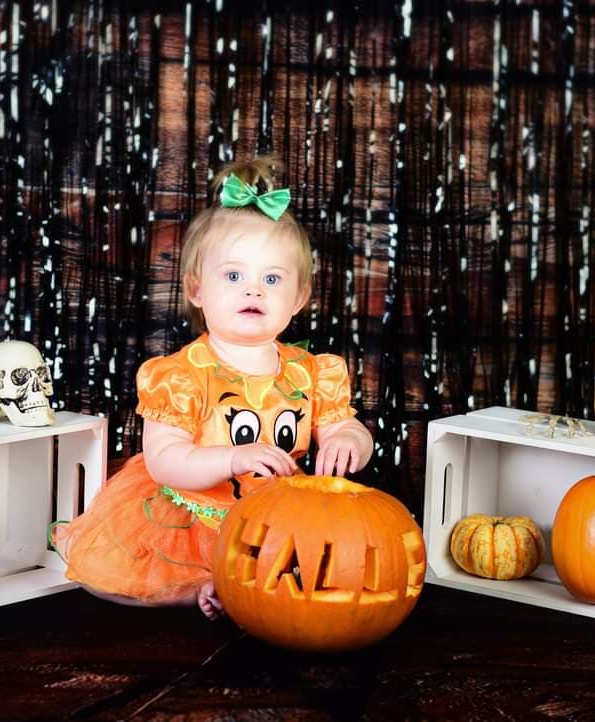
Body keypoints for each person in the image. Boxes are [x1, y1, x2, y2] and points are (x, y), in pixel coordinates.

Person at [51, 156, 374, 619]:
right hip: (193, 509)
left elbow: (345, 425)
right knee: (112, 575)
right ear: (197, 290)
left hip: (279, 515)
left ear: (299, 298)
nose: (253, 290)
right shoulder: (183, 375)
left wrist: (349, 441)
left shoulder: (310, 372)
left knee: (332, 562)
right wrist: (233, 458)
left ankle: (235, 586)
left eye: (272, 279)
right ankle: (197, 588)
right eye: (234, 276)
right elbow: (165, 461)